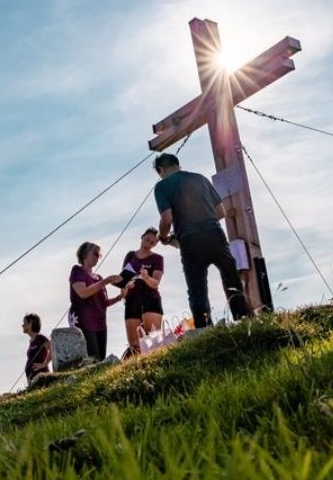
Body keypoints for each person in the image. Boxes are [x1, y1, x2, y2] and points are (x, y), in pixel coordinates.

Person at [153, 152, 251, 328]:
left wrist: (163, 236)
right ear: (177, 164)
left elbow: (167, 218)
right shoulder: (200, 179)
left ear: (161, 170)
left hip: (189, 239)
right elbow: (220, 212)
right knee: (230, 275)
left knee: (197, 286)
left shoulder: (162, 186)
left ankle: (205, 327)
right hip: (214, 232)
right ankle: (243, 318)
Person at [69, 242, 129, 361]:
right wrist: (105, 282)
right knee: (92, 358)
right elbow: (83, 293)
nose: (98, 257)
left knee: (100, 358)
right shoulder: (77, 271)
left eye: (99, 255)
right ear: (85, 253)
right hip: (84, 321)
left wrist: (119, 297)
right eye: (95, 254)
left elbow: (104, 303)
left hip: (100, 323)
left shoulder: (99, 277)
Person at [122, 228, 165, 357]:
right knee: (135, 346)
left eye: (152, 242)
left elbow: (156, 283)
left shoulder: (157, 258)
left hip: (150, 299)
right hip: (131, 300)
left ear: (155, 244)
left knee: (153, 341)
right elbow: (123, 279)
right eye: (147, 239)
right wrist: (126, 286)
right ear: (142, 237)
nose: (149, 243)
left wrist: (146, 278)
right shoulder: (130, 256)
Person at [22, 313, 51, 381]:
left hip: (42, 377)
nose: (22, 325)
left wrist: (45, 363)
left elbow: (53, 348)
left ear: (30, 323)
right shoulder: (32, 341)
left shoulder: (40, 338)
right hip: (33, 379)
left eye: (24, 323)